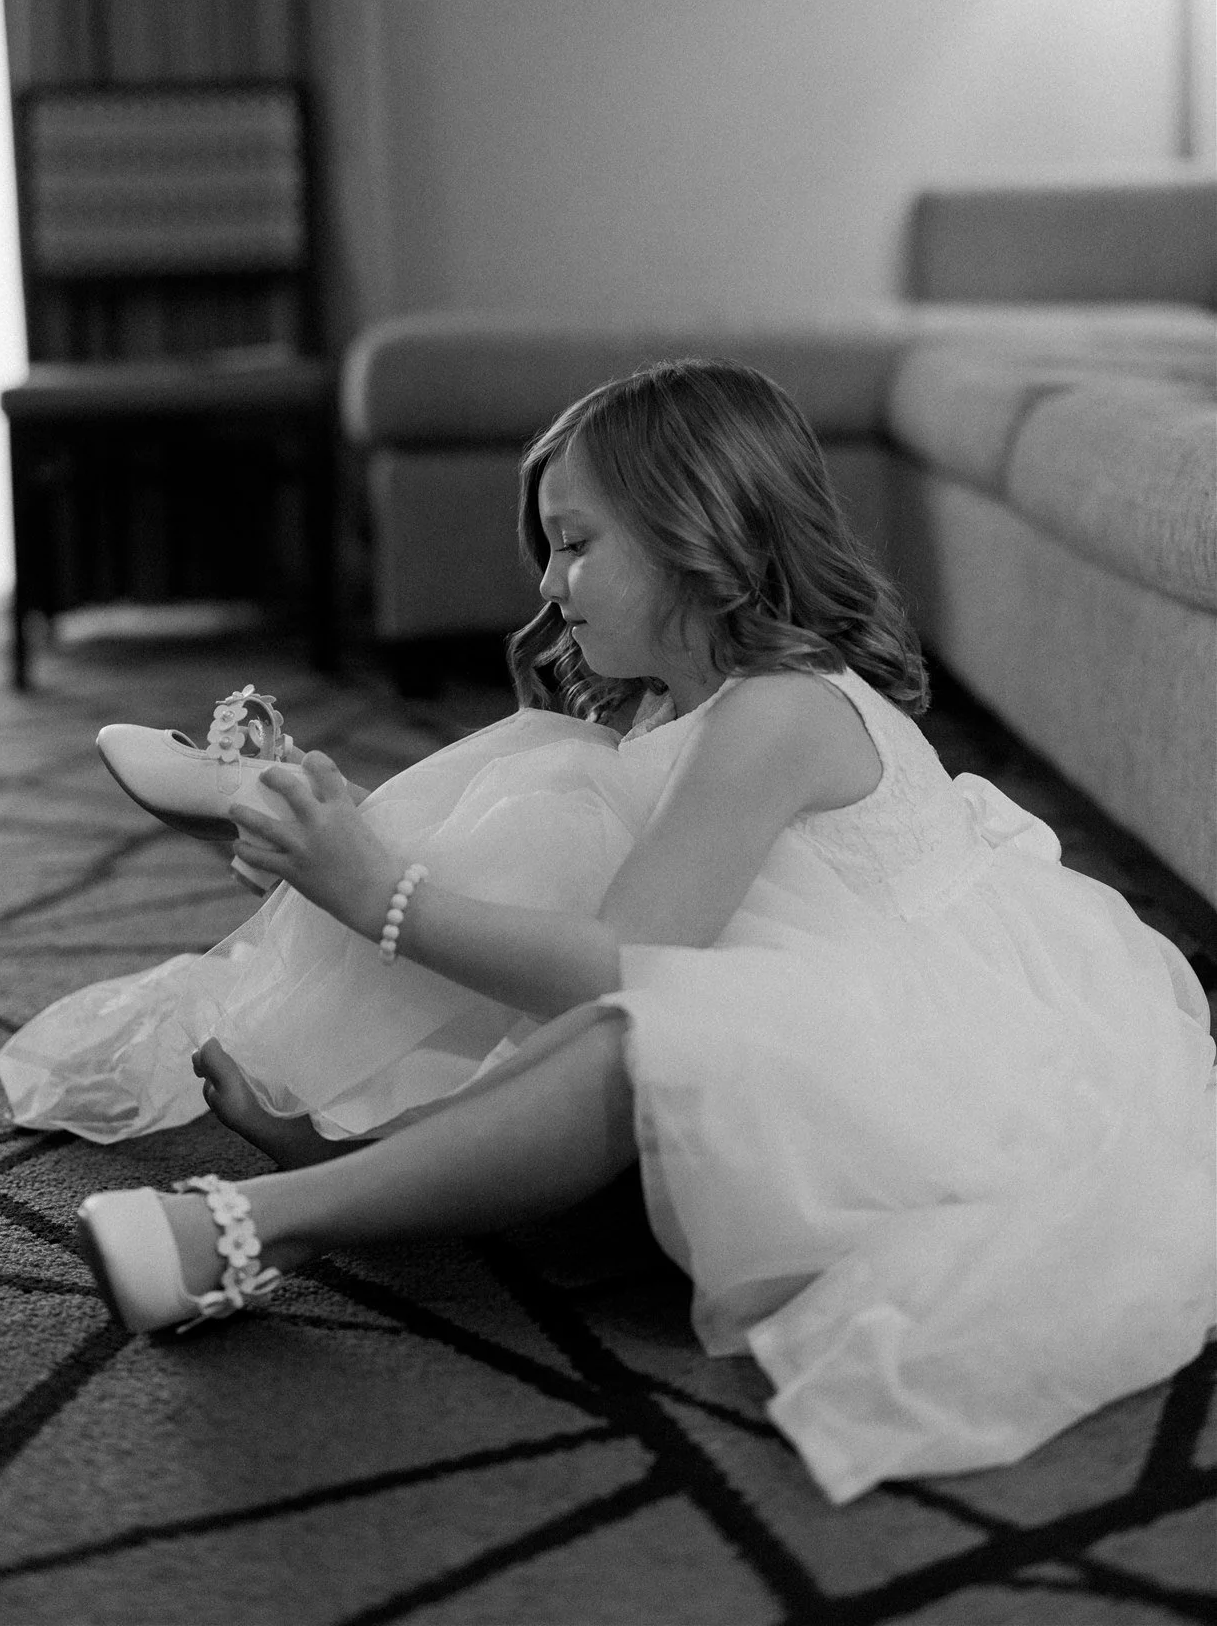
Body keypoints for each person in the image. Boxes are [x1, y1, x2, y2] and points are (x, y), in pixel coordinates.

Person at [65, 360, 1212, 1504]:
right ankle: (304, 895)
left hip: (943, 1053)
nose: (547, 580)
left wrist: (376, 894)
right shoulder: (677, 694)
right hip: (785, 969)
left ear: (701, 539)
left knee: (646, 1030)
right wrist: (359, 855)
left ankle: (268, 1224)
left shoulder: (782, 709)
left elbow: (622, 966)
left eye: (575, 544)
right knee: (539, 804)